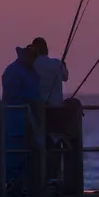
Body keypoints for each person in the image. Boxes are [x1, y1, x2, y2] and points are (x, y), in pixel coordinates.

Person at [2, 44, 41, 195]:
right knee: (14, 151)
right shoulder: (13, 71)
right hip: (15, 116)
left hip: (29, 117)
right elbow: (13, 94)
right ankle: (11, 182)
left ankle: (23, 184)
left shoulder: (29, 70)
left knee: (29, 152)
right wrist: (31, 99)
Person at [31, 37, 69, 180]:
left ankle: (41, 177)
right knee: (54, 143)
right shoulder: (56, 64)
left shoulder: (32, 65)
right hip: (56, 109)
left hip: (39, 110)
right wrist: (63, 65)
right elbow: (65, 77)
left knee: (40, 144)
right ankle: (55, 177)